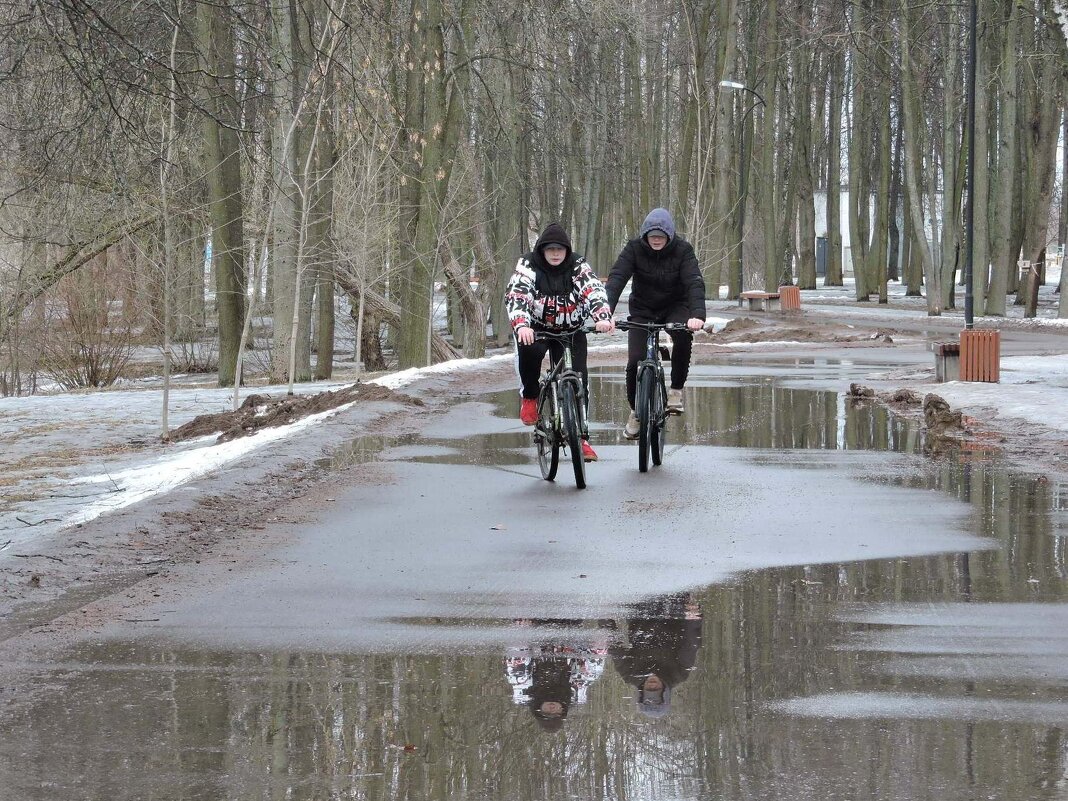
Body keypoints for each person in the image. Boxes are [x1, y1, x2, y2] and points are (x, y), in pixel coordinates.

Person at [505, 222, 615, 461]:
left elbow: (592, 290)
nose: (555, 254)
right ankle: (531, 397)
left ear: (567, 250)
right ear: (542, 250)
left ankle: (582, 438)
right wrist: (522, 324)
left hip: (571, 329)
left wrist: (602, 317)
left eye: (560, 249)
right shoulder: (528, 265)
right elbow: (518, 294)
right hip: (536, 328)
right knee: (529, 352)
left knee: (579, 377)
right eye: (550, 249)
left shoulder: (577, 265)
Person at [605, 207, 705, 438]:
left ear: (669, 236)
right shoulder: (633, 249)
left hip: (675, 307)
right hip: (643, 309)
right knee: (634, 361)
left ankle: (675, 392)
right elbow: (617, 278)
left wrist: (697, 315)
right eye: (652, 236)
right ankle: (635, 412)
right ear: (645, 236)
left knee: (681, 335)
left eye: (661, 236)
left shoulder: (683, 250)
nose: (656, 240)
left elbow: (694, 282)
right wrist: (605, 312)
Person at [609, 593, 703, 719]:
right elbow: (691, 644)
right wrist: (693, 619)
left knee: (634, 591)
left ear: (642, 691)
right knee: (673, 593)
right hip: (671, 617)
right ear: (664, 691)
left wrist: (605, 617)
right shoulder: (678, 674)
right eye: (656, 689)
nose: (652, 685)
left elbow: (615, 648)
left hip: (640, 617)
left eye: (649, 689)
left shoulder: (630, 675)